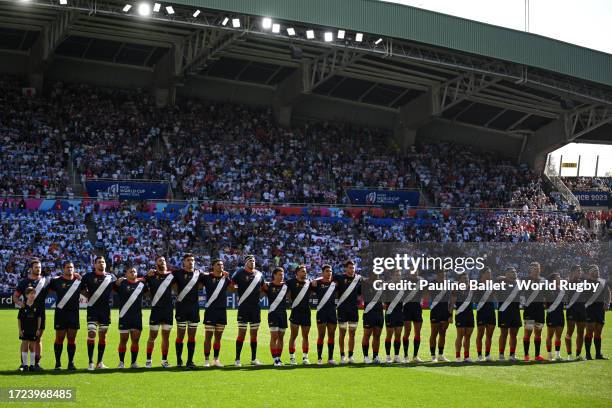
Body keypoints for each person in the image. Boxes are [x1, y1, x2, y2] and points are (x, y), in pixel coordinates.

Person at [13, 258, 49, 371]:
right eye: (36, 267)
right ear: (30, 269)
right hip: (26, 315)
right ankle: (23, 364)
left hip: (40, 314)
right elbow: (15, 296)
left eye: (39, 267)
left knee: (38, 339)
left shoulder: (46, 281)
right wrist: (20, 303)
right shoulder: (24, 282)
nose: (38, 269)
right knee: (24, 340)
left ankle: (36, 364)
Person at [81, 256, 116, 371]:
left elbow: (118, 288)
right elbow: (80, 289)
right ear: (94, 265)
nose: (101, 264)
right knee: (91, 333)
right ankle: (90, 362)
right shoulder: (88, 276)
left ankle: (99, 362)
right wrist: (88, 296)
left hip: (105, 310)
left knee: (103, 335)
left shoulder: (111, 277)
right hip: (93, 308)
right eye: (99, 262)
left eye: (103, 262)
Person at [172, 253, 205, 369]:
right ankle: (179, 360)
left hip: (194, 308)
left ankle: (190, 361)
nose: (191, 262)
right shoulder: (177, 273)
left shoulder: (199, 274)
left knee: (192, 336)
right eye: (188, 260)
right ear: (184, 262)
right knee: (180, 335)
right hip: (181, 308)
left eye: (192, 260)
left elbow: (212, 277)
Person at [232, 255, 264, 366]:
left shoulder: (259, 274)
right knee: (242, 333)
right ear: (245, 262)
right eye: (250, 260)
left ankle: (254, 359)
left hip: (255, 308)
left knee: (254, 334)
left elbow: (264, 288)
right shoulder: (239, 273)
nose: (253, 262)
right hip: (243, 308)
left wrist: (258, 297)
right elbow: (231, 284)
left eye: (254, 260)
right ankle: (237, 359)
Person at [48, 261, 81, 370]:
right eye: (67, 267)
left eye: (71, 267)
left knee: (72, 338)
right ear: (63, 269)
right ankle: (58, 363)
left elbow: (88, 292)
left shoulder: (79, 281)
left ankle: (71, 363)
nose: (70, 269)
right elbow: (45, 291)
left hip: (74, 314)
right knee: (59, 338)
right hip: (61, 314)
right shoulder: (56, 281)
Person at [144, 255, 174, 368]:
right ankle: (148, 360)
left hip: (168, 310)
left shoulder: (171, 275)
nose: (162, 262)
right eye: (160, 261)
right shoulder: (151, 276)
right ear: (156, 264)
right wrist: (147, 275)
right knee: (152, 336)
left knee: (166, 337)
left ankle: (164, 361)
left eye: (164, 260)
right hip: (156, 310)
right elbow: (139, 283)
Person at [114, 266, 146, 369]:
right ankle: (121, 362)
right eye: (130, 271)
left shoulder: (142, 284)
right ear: (126, 274)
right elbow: (111, 287)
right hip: (124, 316)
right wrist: (119, 280)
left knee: (135, 340)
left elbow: (149, 292)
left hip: (137, 316)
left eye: (134, 271)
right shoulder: (121, 283)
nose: (133, 273)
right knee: (123, 340)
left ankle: (134, 362)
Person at [202, 259, 231, 367]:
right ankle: (206, 360)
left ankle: (216, 359)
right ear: (213, 266)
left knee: (218, 337)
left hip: (222, 310)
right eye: (218, 264)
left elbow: (232, 288)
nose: (221, 266)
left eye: (222, 265)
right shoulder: (206, 277)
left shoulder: (226, 278)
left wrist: (228, 277)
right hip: (210, 310)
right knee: (208, 336)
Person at [334, 260, 361, 364]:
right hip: (342, 310)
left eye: (353, 267)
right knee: (342, 333)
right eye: (350, 267)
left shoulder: (358, 279)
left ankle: (350, 356)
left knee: (352, 333)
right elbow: (325, 279)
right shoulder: (340, 278)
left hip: (354, 310)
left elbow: (359, 294)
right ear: (346, 268)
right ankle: (342, 356)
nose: (352, 269)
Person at [285, 264, 312, 365]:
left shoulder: (309, 283)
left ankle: (305, 357)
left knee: (306, 336)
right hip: (295, 312)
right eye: (302, 271)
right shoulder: (290, 282)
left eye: (305, 271)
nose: (305, 273)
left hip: (306, 312)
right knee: (293, 336)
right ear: (297, 273)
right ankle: (292, 358)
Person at [312, 264, 338, 365]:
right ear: (323, 273)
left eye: (330, 271)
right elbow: (310, 284)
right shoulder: (317, 283)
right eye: (327, 271)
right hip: (321, 312)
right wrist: (315, 279)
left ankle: (330, 358)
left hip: (332, 312)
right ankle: (319, 358)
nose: (329, 273)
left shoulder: (335, 283)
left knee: (331, 335)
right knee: (321, 335)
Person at [584, 265, 610, 360]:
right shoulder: (585, 282)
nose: (597, 272)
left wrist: (607, 303)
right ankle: (588, 354)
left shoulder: (603, 282)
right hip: (589, 309)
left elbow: (608, 292)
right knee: (589, 331)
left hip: (600, 309)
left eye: (598, 270)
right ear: (590, 272)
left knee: (598, 332)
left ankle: (598, 354)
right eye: (595, 270)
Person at [264, 267, 288, 367]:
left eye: (282, 274)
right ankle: (275, 359)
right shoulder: (268, 285)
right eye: (279, 274)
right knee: (274, 337)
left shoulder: (286, 286)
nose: (281, 276)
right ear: (274, 275)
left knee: (281, 338)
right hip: (273, 314)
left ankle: (279, 358)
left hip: (283, 314)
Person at [522, 262, 546, 362]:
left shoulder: (543, 281)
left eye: (538, 268)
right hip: (529, 310)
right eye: (535, 268)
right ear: (530, 269)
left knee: (538, 333)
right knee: (528, 332)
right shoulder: (524, 280)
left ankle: (537, 355)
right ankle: (526, 355)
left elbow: (546, 293)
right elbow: (521, 294)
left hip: (540, 310)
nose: (537, 270)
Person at [497, 267, 521, 361]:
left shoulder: (519, 283)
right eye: (512, 272)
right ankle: (501, 355)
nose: (515, 273)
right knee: (504, 333)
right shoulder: (500, 282)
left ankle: (512, 354)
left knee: (514, 334)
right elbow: (494, 292)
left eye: (515, 272)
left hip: (515, 311)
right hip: (504, 311)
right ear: (506, 273)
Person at [450, 273, 474, 363]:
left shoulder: (471, 288)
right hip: (460, 314)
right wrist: (450, 316)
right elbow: (452, 303)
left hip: (470, 315)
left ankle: (467, 356)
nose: (466, 279)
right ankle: (458, 356)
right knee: (460, 335)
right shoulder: (456, 289)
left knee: (468, 336)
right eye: (464, 278)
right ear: (459, 280)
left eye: (467, 278)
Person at [401, 270, 424, 363]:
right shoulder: (405, 281)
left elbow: (424, 293)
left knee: (417, 332)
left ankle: (415, 356)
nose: (414, 273)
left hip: (417, 307)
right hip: (407, 307)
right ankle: (406, 356)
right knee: (407, 332)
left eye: (416, 271)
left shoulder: (421, 281)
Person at [18, 287, 42, 372]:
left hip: (34, 330)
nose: (32, 295)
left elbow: (39, 318)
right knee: (24, 347)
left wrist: (38, 329)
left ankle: (32, 365)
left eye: (33, 293)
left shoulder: (37, 305)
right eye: (30, 294)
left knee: (32, 347)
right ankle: (25, 365)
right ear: (26, 295)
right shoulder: (23, 306)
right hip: (25, 330)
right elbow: (19, 319)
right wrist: (20, 330)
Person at [565, 265, 586, 360]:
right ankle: (569, 355)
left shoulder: (583, 283)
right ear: (572, 271)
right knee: (570, 331)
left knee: (581, 332)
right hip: (571, 309)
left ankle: (578, 354)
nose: (580, 272)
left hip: (581, 309)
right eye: (578, 270)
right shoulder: (566, 282)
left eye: (580, 270)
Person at [429, 270, 450, 362]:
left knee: (443, 333)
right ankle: (433, 356)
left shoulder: (448, 284)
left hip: (445, 311)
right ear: (437, 274)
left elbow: (450, 300)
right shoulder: (432, 284)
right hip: (435, 311)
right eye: (441, 274)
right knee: (434, 333)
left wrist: (450, 314)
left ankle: (441, 355)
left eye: (444, 274)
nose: (443, 276)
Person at [384, 269, 405, 363]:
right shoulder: (387, 285)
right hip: (390, 313)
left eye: (399, 275)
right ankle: (388, 356)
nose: (398, 276)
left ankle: (396, 356)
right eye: (396, 275)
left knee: (398, 335)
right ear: (392, 276)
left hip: (399, 313)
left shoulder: (403, 286)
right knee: (389, 335)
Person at [475, 267, 496, 362]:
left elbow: (495, 296)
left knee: (489, 335)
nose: (490, 275)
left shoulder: (492, 285)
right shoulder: (477, 284)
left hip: (491, 311)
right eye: (488, 273)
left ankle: (487, 355)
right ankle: (479, 355)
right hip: (481, 312)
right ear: (482, 274)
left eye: (490, 273)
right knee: (480, 335)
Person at [545, 272, 565, 361]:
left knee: (558, 336)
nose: (560, 279)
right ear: (553, 280)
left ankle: (558, 354)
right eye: (558, 277)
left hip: (560, 315)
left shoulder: (562, 289)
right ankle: (549, 355)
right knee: (550, 335)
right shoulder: (548, 289)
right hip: (551, 314)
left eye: (560, 277)